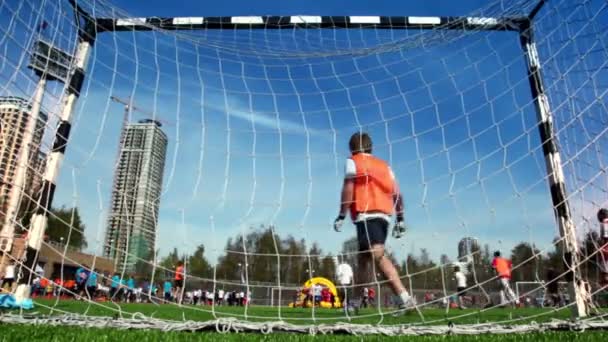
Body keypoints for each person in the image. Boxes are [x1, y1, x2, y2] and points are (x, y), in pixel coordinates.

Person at [333, 132, 414, 314]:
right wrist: (400, 218)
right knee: (363, 260)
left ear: (352, 148)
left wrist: (341, 214)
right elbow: (396, 193)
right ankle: (353, 304)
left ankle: (404, 298)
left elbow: (348, 187)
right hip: (384, 215)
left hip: (367, 213)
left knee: (377, 254)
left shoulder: (354, 160)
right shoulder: (385, 166)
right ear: (371, 147)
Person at [597, 208, 608, 287]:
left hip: (606, 253)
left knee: (604, 276)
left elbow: (605, 238)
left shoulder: (605, 223)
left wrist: (600, 249)